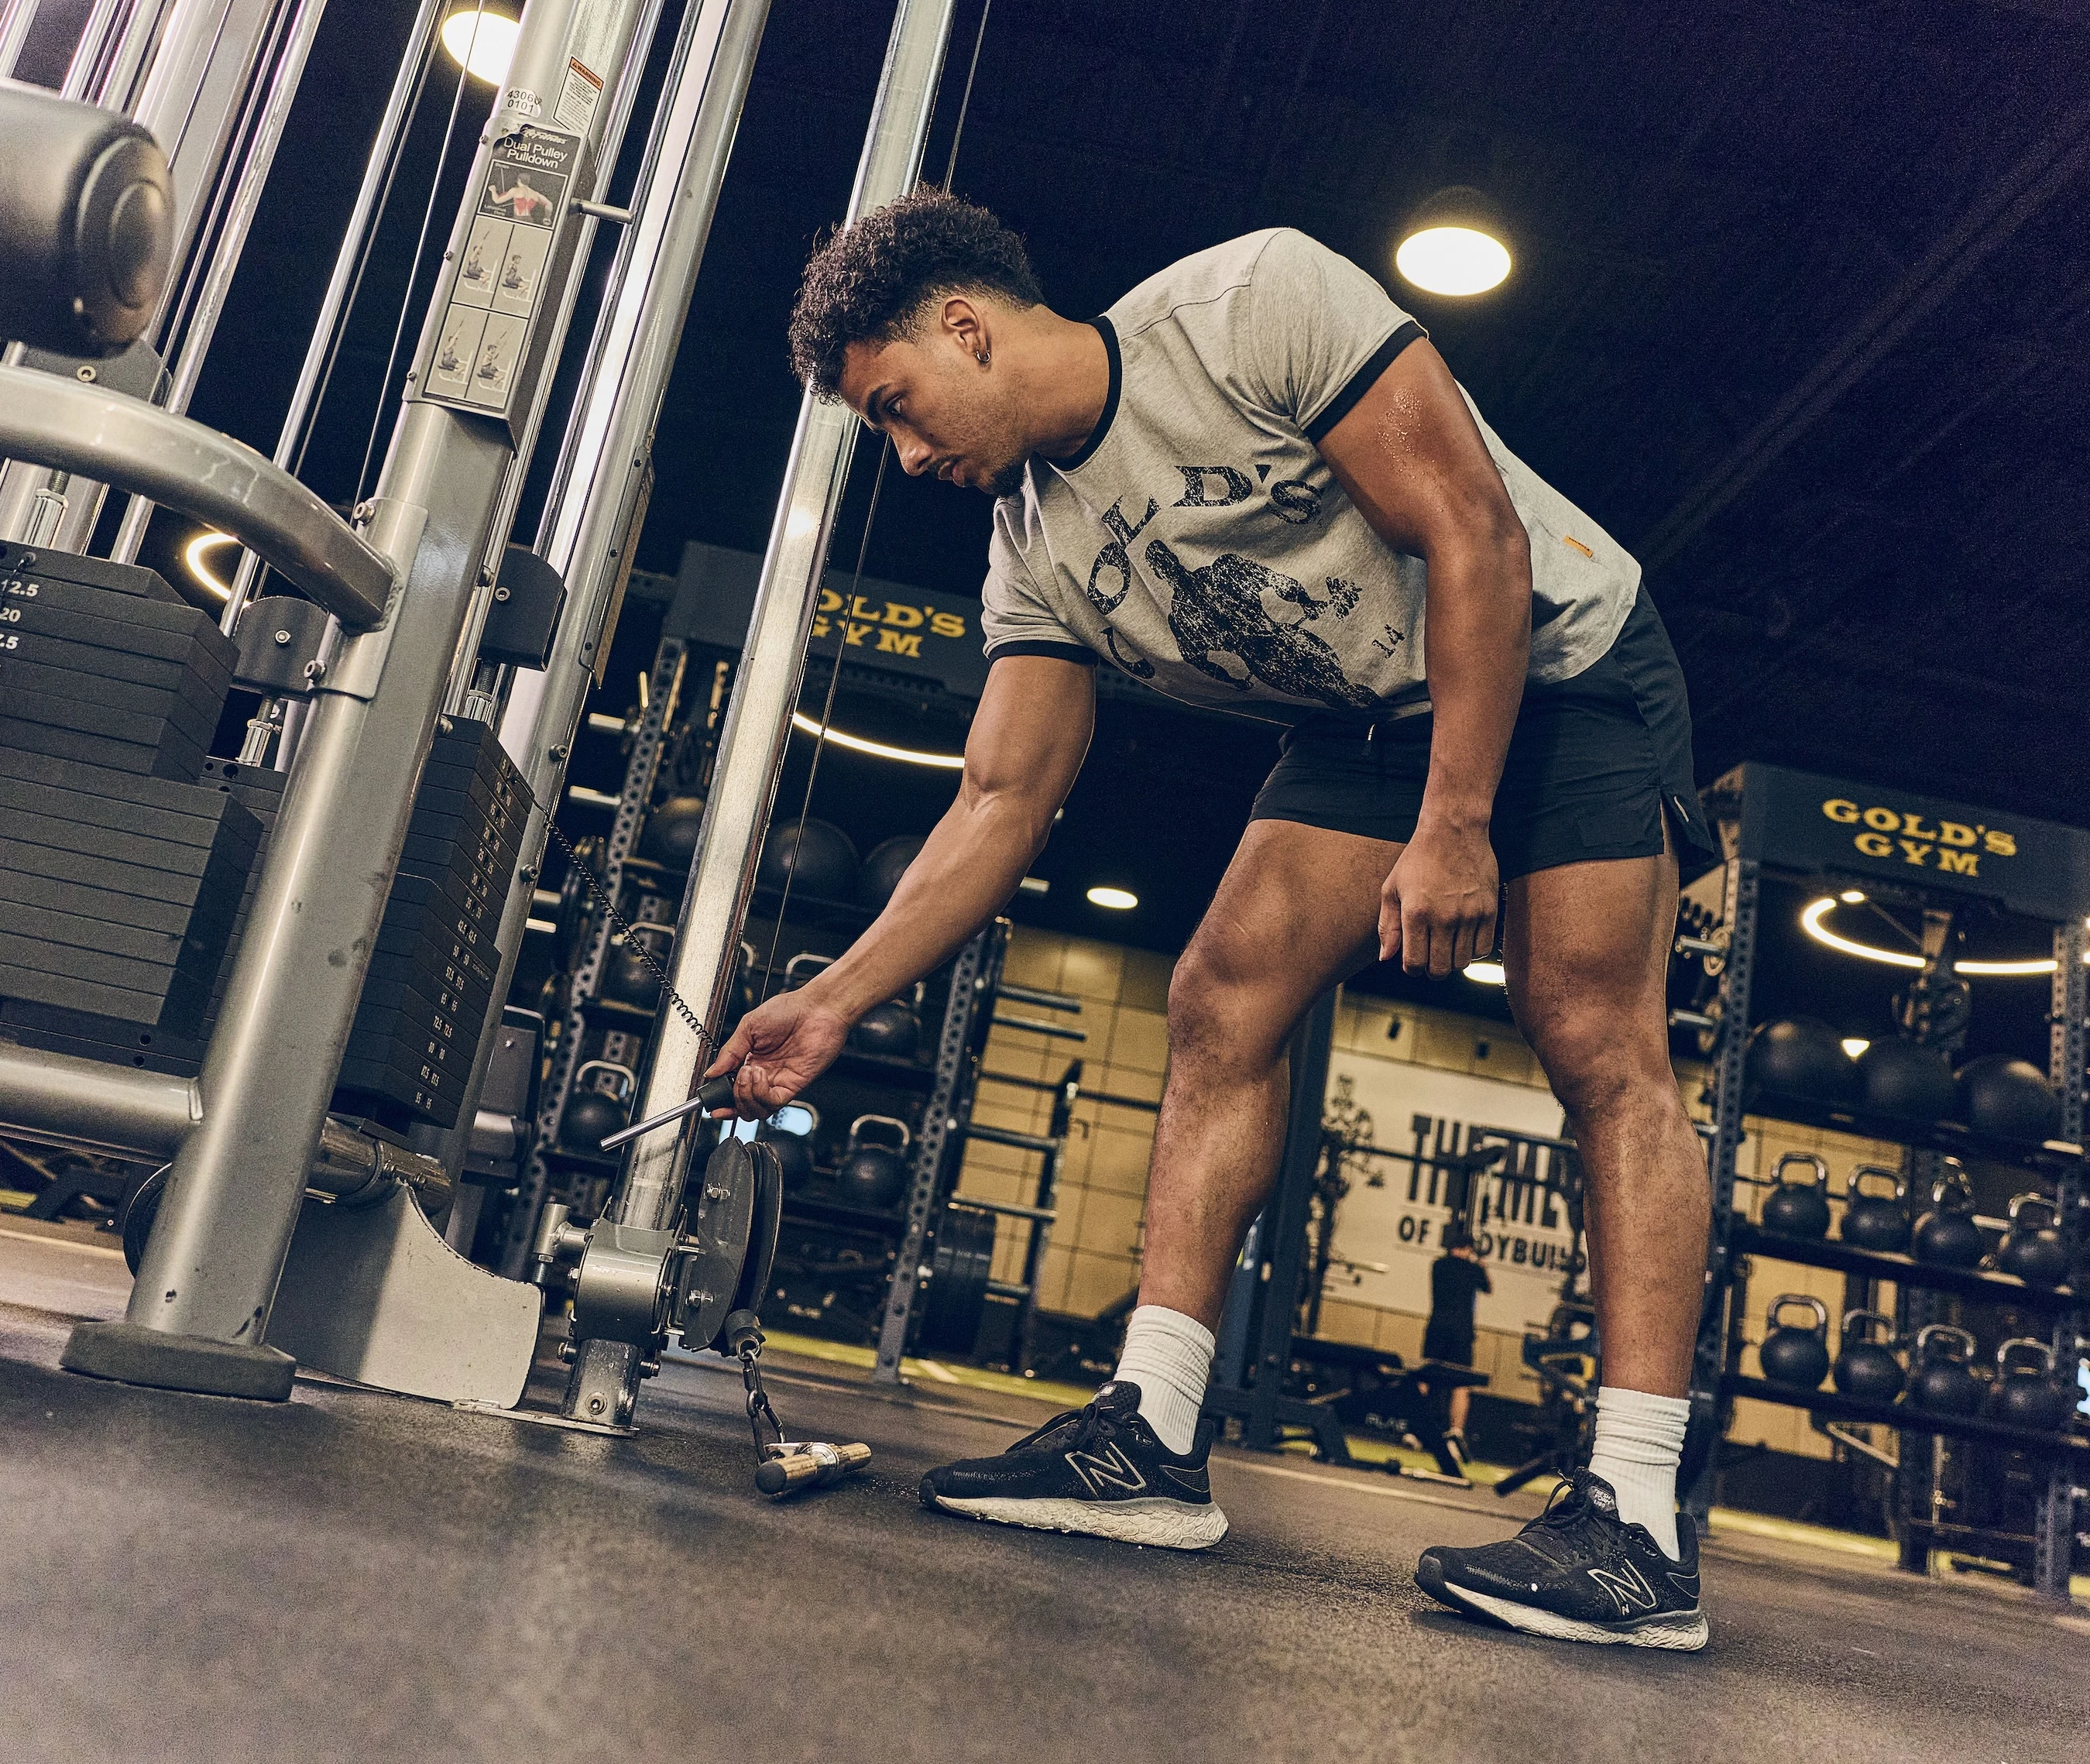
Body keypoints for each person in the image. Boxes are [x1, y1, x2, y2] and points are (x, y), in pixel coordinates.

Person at [706, 189, 1718, 1651]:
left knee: (1592, 1037)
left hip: (1552, 655)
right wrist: (835, 997)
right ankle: (1150, 1437)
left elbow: (1471, 533)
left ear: (964, 325)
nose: (910, 452)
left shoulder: (1249, 308)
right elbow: (1000, 801)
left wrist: (1453, 825)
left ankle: (1635, 1523)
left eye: (897, 407)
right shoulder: (1031, 543)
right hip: (1365, 708)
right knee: (1216, 998)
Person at [1425, 1221, 1491, 1451]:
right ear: (1468, 1249)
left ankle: (1417, 1425)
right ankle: (1456, 1433)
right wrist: (1481, 1266)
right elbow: (1489, 1288)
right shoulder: (1473, 1270)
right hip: (1462, 1331)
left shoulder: (1438, 1266)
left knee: (1425, 1377)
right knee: (1461, 1384)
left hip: (1437, 1326)